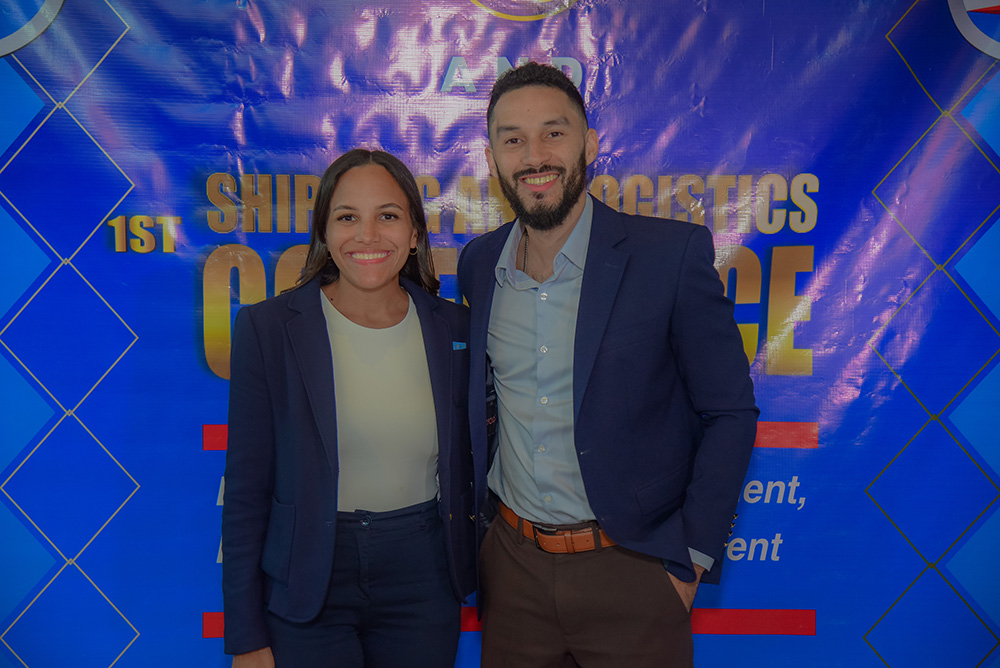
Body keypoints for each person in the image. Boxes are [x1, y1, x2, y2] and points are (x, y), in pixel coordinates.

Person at [457, 62, 759, 668]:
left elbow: (730, 411)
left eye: (554, 133)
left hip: (635, 572)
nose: (534, 156)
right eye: (513, 139)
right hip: (512, 574)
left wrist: (690, 561)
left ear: (590, 144)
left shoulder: (669, 256)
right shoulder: (479, 264)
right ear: (492, 159)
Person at [222, 149, 476, 668]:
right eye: (347, 217)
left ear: (414, 233)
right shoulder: (268, 330)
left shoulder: (456, 329)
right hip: (308, 578)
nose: (367, 235)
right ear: (324, 231)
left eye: (388, 215)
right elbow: (246, 490)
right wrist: (246, 636)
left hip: (423, 578)